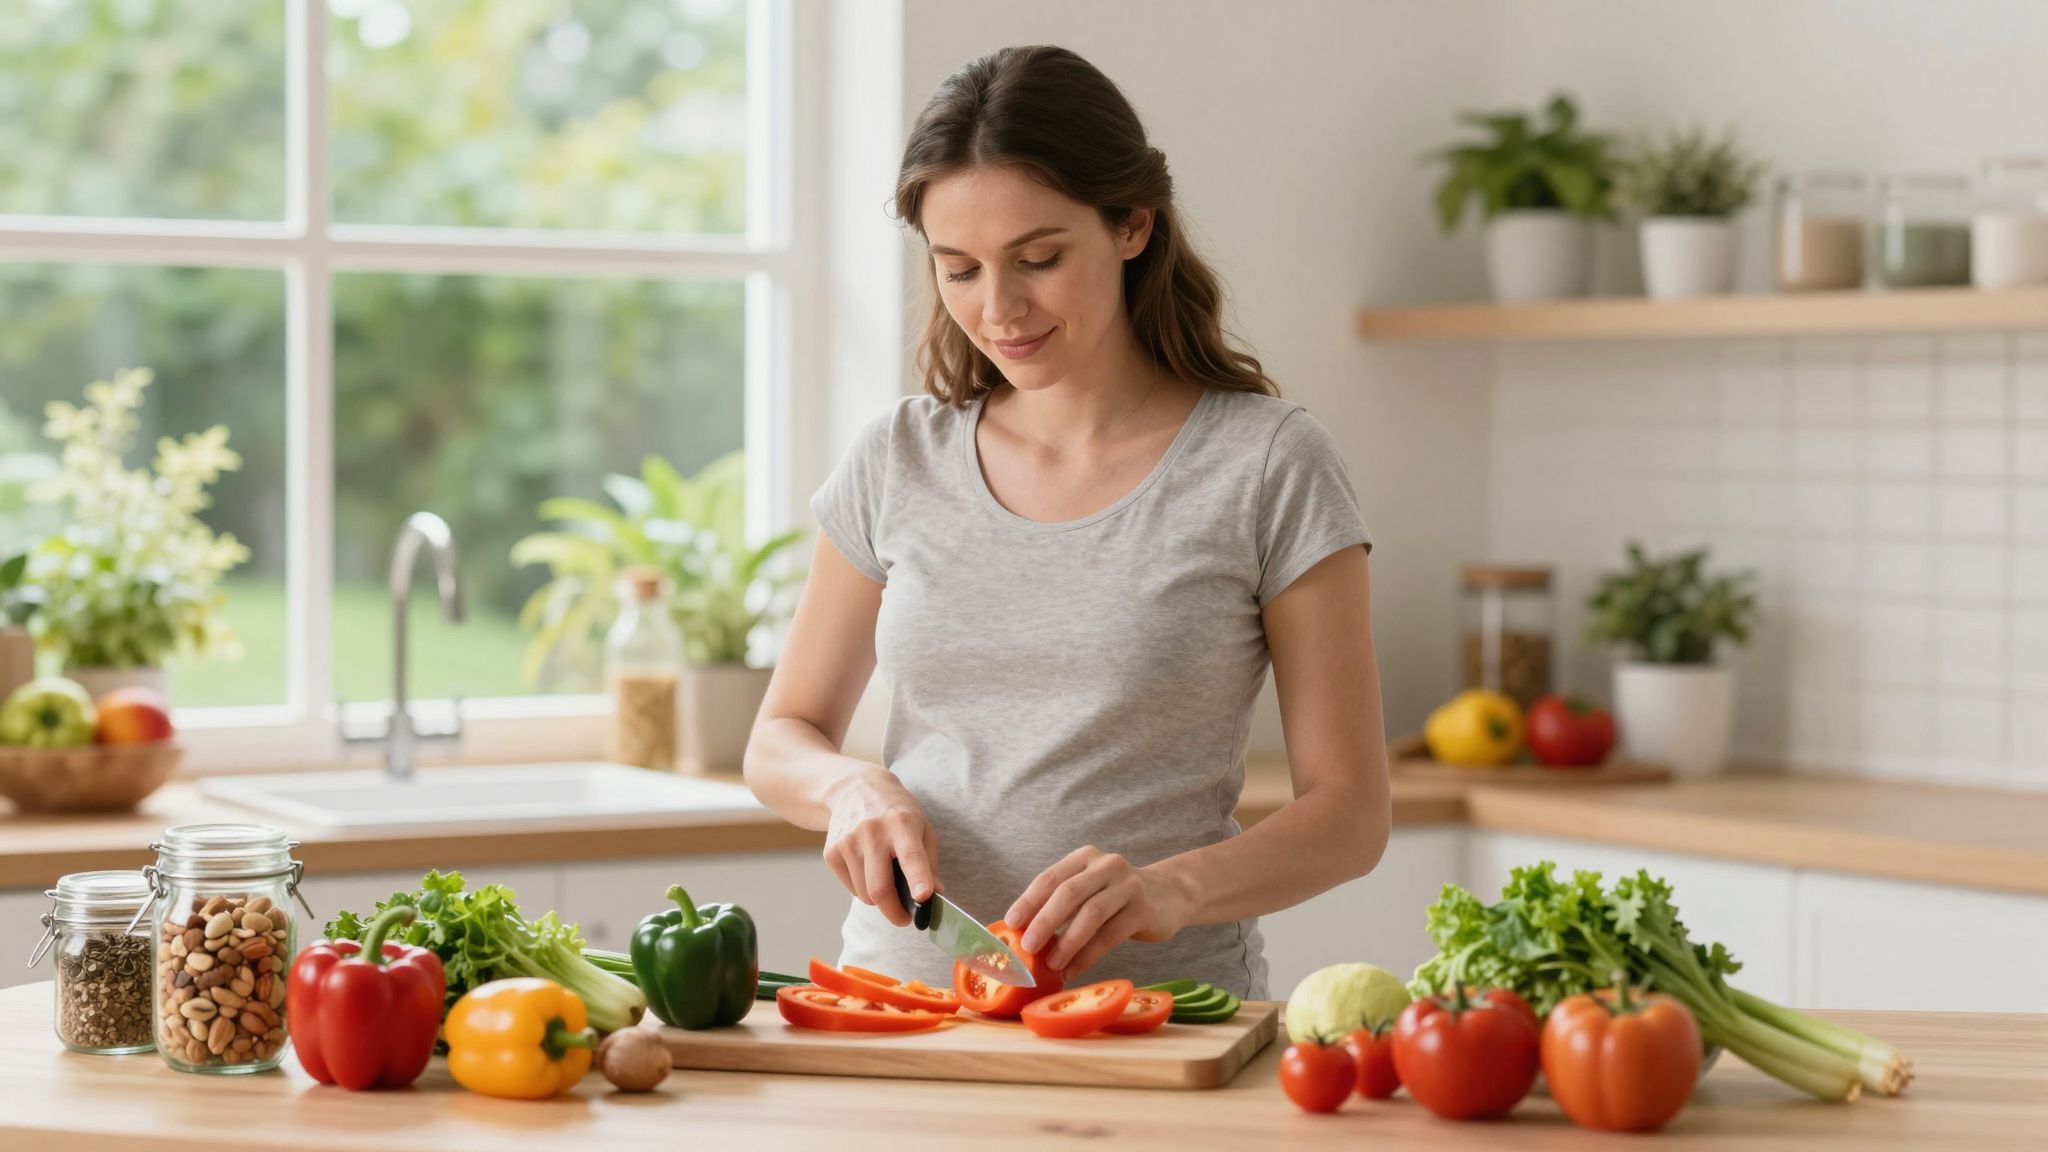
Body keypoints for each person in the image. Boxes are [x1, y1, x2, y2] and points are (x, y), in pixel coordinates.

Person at [743, 44, 1390, 999]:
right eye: (958, 269)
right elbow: (780, 736)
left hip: (1158, 1024)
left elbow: (1351, 814)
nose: (997, 309)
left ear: (1132, 224)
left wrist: (1172, 888)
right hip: (904, 1009)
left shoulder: (1265, 463)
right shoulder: (898, 459)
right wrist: (849, 787)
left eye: (1038, 259)